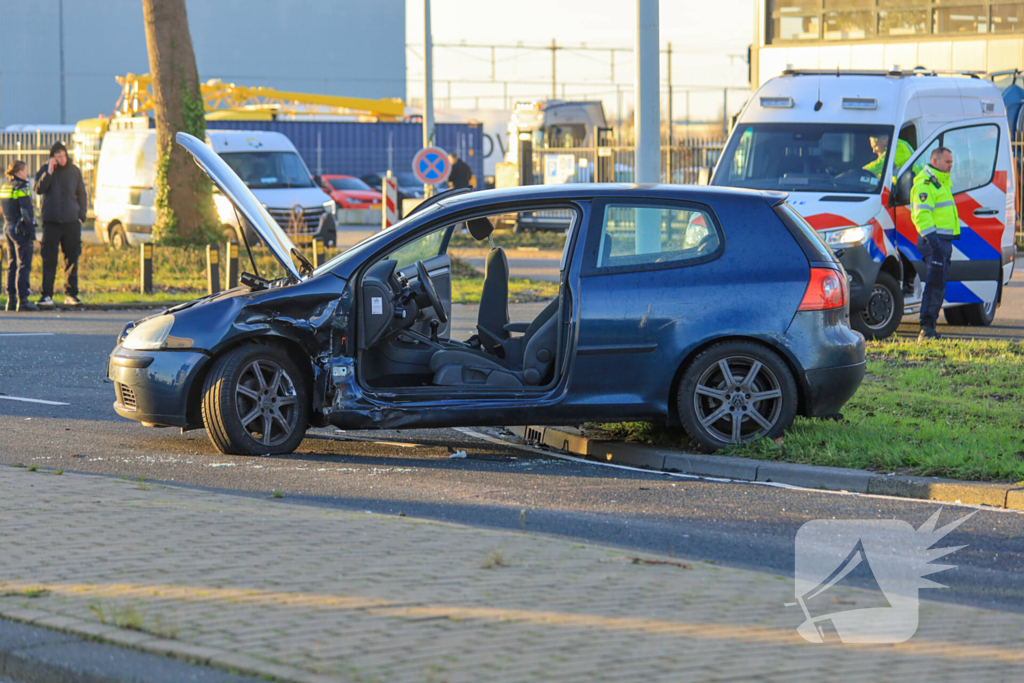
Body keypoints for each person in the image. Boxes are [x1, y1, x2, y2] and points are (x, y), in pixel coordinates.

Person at [912, 147, 958, 341]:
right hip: (934, 242)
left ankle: (930, 328)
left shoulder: (940, 183)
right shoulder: (926, 184)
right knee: (934, 285)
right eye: (947, 162)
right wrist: (935, 243)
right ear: (935, 160)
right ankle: (927, 329)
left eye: (951, 162)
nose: (950, 166)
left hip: (941, 241)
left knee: (938, 284)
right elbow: (921, 216)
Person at [34, 141, 87, 307]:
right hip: (51, 222)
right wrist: (49, 171)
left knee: (71, 259)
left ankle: (71, 294)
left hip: (71, 222)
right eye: (58, 156)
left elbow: (82, 194)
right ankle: (46, 296)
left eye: (63, 155)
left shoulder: (74, 171)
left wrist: (81, 216)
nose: (62, 159)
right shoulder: (45, 170)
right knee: (49, 259)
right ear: (52, 158)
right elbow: (38, 189)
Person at [2, 161, 37, 312]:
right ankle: (23, 300)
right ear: (20, 171)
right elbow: (26, 212)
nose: (27, 172)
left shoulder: (5, 186)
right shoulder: (22, 187)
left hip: (7, 227)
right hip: (20, 230)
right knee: (23, 265)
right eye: (26, 169)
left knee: (12, 264)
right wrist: (32, 231)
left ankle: (10, 300)